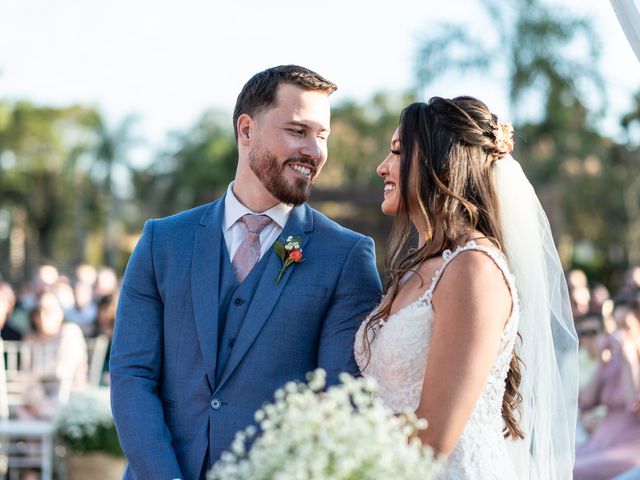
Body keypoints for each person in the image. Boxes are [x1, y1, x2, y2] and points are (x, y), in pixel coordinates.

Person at [110, 65, 382, 480]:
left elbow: (337, 403)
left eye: (322, 136)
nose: (314, 151)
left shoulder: (346, 257)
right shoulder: (161, 242)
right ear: (246, 130)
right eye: (297, 131)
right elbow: (132, 376)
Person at [355, 96, 578, 479]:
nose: (382, 167)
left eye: (396, 152)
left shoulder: (473, 270)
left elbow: (434, 437)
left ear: (440, 162)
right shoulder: (416, 269)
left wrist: (328, 432)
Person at [574, 297, 640, 479]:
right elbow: (585, 404)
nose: (620, 333)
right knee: (555, 462)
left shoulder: (630, 362)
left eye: (626, 326)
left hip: (628, 450)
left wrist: (630, 362)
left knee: (571, 472)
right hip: (598, 444)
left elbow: (633, 405)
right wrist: (601, 365)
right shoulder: (613, 363)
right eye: (616, 326)